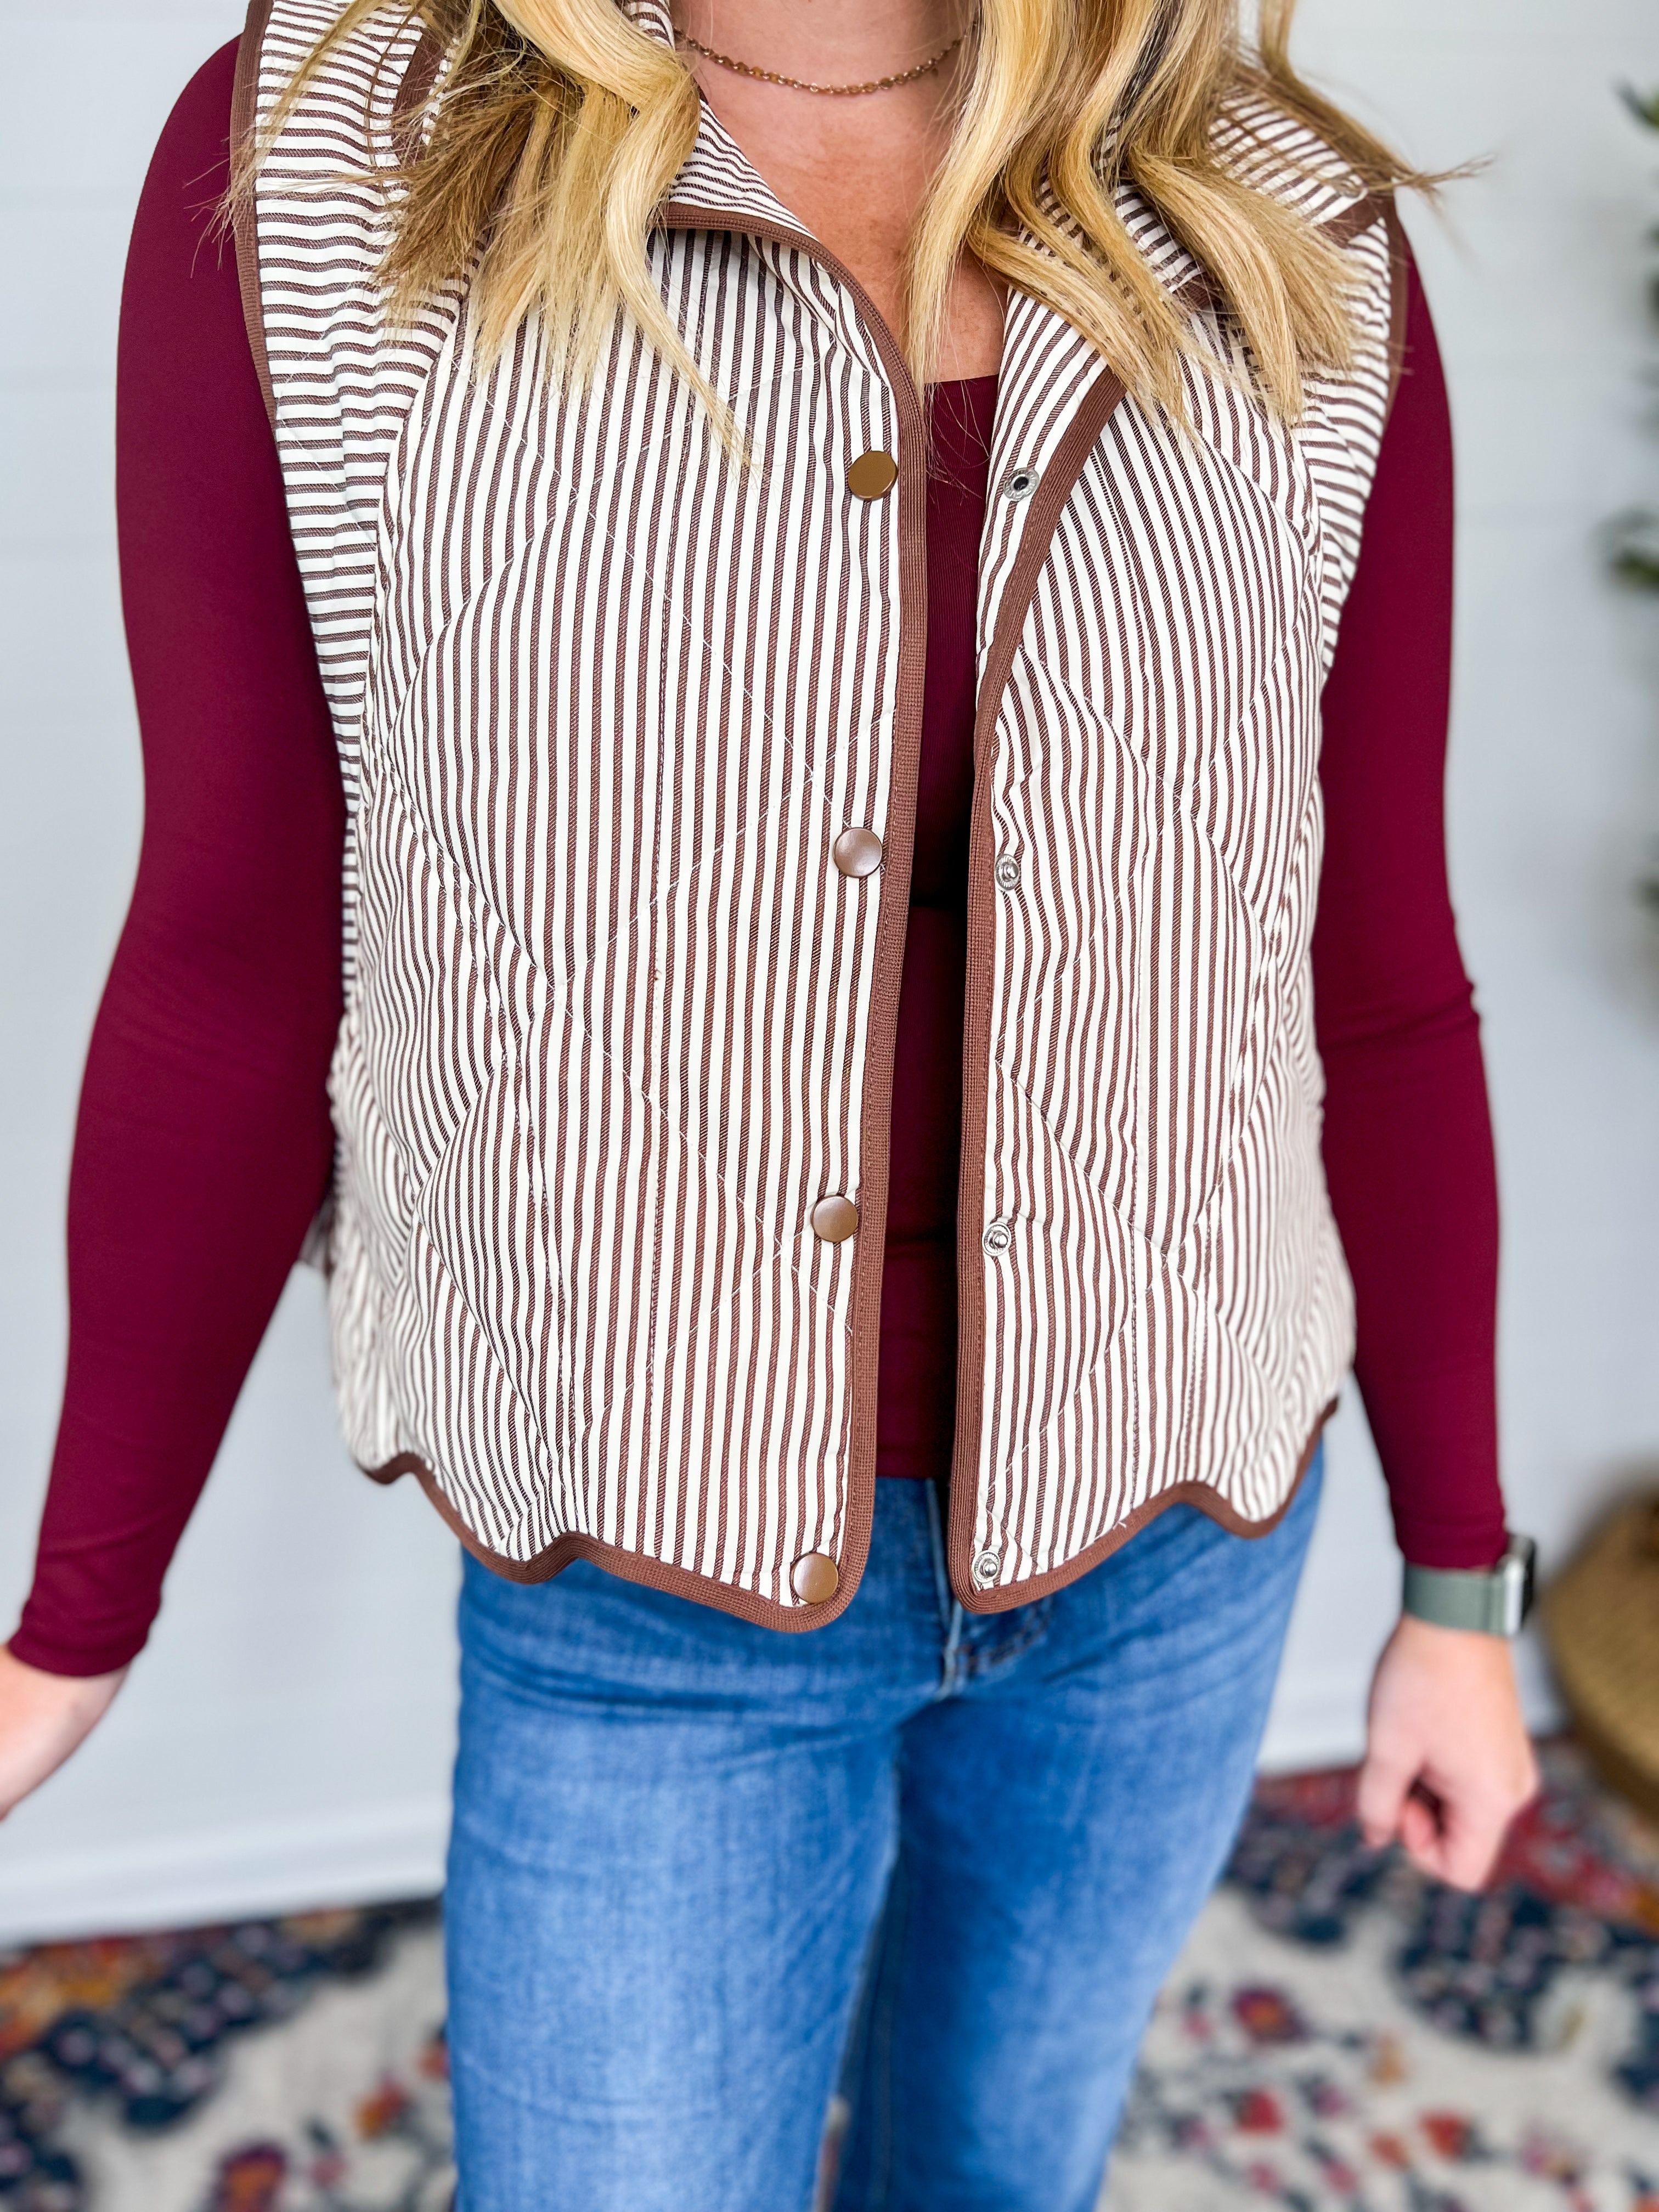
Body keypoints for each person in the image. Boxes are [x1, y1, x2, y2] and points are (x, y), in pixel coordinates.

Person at [1, 0, 1539, 2204]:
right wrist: (77, 1616)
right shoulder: (321, 173)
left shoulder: (1283, 216)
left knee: (1001, 2175)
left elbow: (1373, 982)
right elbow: (237, 955)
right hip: (646, 1588)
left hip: (1178, 1540)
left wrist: (1460, 1596)